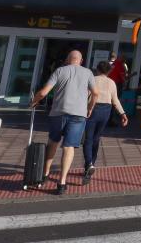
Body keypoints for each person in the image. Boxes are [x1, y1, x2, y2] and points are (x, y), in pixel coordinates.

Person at [29, 50, 99, 195]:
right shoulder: (88, 73)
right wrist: (90, 107)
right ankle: (61, 183)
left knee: (53, 142)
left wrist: (34, 101)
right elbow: (96, 93)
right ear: (81, 60)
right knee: (69, 148)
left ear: (68, 59)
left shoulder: (59, 71)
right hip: (78, 115)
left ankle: (45, 174)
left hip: (58, 113)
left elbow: (43, 93)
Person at [83, 61, 129, 183]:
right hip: (106, 111)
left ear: (97, 69)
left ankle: (89, 164)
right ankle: (92, 162)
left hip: (93, 109)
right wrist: (123, 114)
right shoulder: (112, 83)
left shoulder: (92, 79)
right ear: (109, 71)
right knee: (96, 138)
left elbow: (86, 96)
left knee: (88, 138)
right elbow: (115, 100)